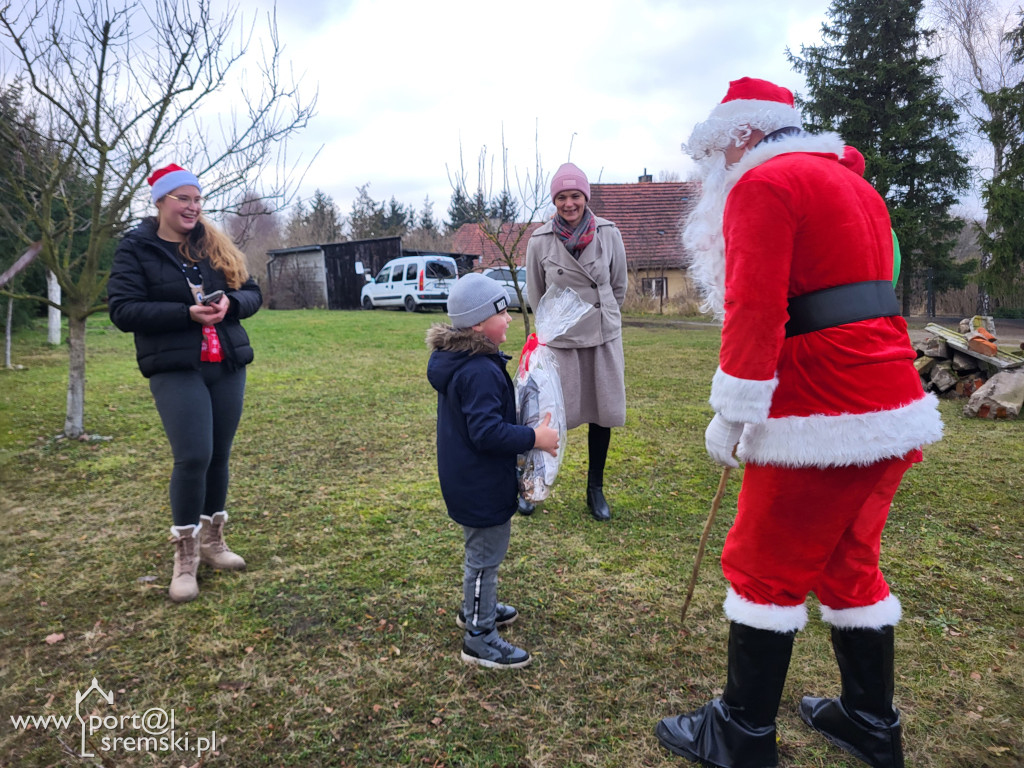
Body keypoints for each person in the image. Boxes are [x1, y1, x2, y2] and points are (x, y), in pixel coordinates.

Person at [655, 78, 943, 768]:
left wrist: (732, 413)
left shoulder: (764, 185)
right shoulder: (855, 185)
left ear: (745, 134)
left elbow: (756, 309)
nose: (715, 169)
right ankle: (869, 721)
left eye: (718, 152)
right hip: (890, 402)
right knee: (849, 563)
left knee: (762, 565)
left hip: (820, 409)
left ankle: (741, 733)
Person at [108, 164, 262, 603]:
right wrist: (185, 314)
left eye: (197, 199)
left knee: (219, 455)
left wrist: (230, 304)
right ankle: (186, 556)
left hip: (226, 363)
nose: (193, 207)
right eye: (183, 199)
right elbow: (123, 309)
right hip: (176, 367)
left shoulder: (213, 244)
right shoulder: (136, 248)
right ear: (160, 201)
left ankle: (213, 542)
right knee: (194, 455)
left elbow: (253, 292)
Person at [427, 273, 559, 669]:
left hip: (469, 480)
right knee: (485, 559)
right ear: (478, 324)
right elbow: (486, 433)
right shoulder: (479, 370)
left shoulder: (466, 362)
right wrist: (535, 437)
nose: (509, 318)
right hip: (480, 485)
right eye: (502, 312)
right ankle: (479, 636)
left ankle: (476, 608)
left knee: (481, 554)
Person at [525, 162, 628, 522]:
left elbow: (618, 286)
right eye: (562, 197)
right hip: (560, 342)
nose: (569, 203)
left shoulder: (609, 233)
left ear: (586, 197)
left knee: (602, 414)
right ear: (554, 201)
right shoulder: (539, 240)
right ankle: (534, 483)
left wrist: (603, 319)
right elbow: (536, 294)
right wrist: (555, 327)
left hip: (601, 337)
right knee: (547, 416)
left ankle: (594, 489)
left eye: (575, 196)